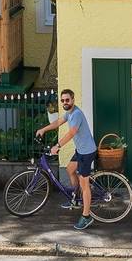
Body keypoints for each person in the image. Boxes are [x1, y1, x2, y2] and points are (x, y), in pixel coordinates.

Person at [36, 88, 97, 230]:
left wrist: (57, 146)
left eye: (67, 100)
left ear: (73, 100)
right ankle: (76, 199)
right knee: (70, 170)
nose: (65, 102)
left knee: (84, 185)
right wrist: (44, 129)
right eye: (63, 100)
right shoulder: (69, 113)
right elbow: (58, 122)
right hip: (80, 150)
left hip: (87, 153)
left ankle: (86, 216)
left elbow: (71, 133)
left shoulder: (76, 114)